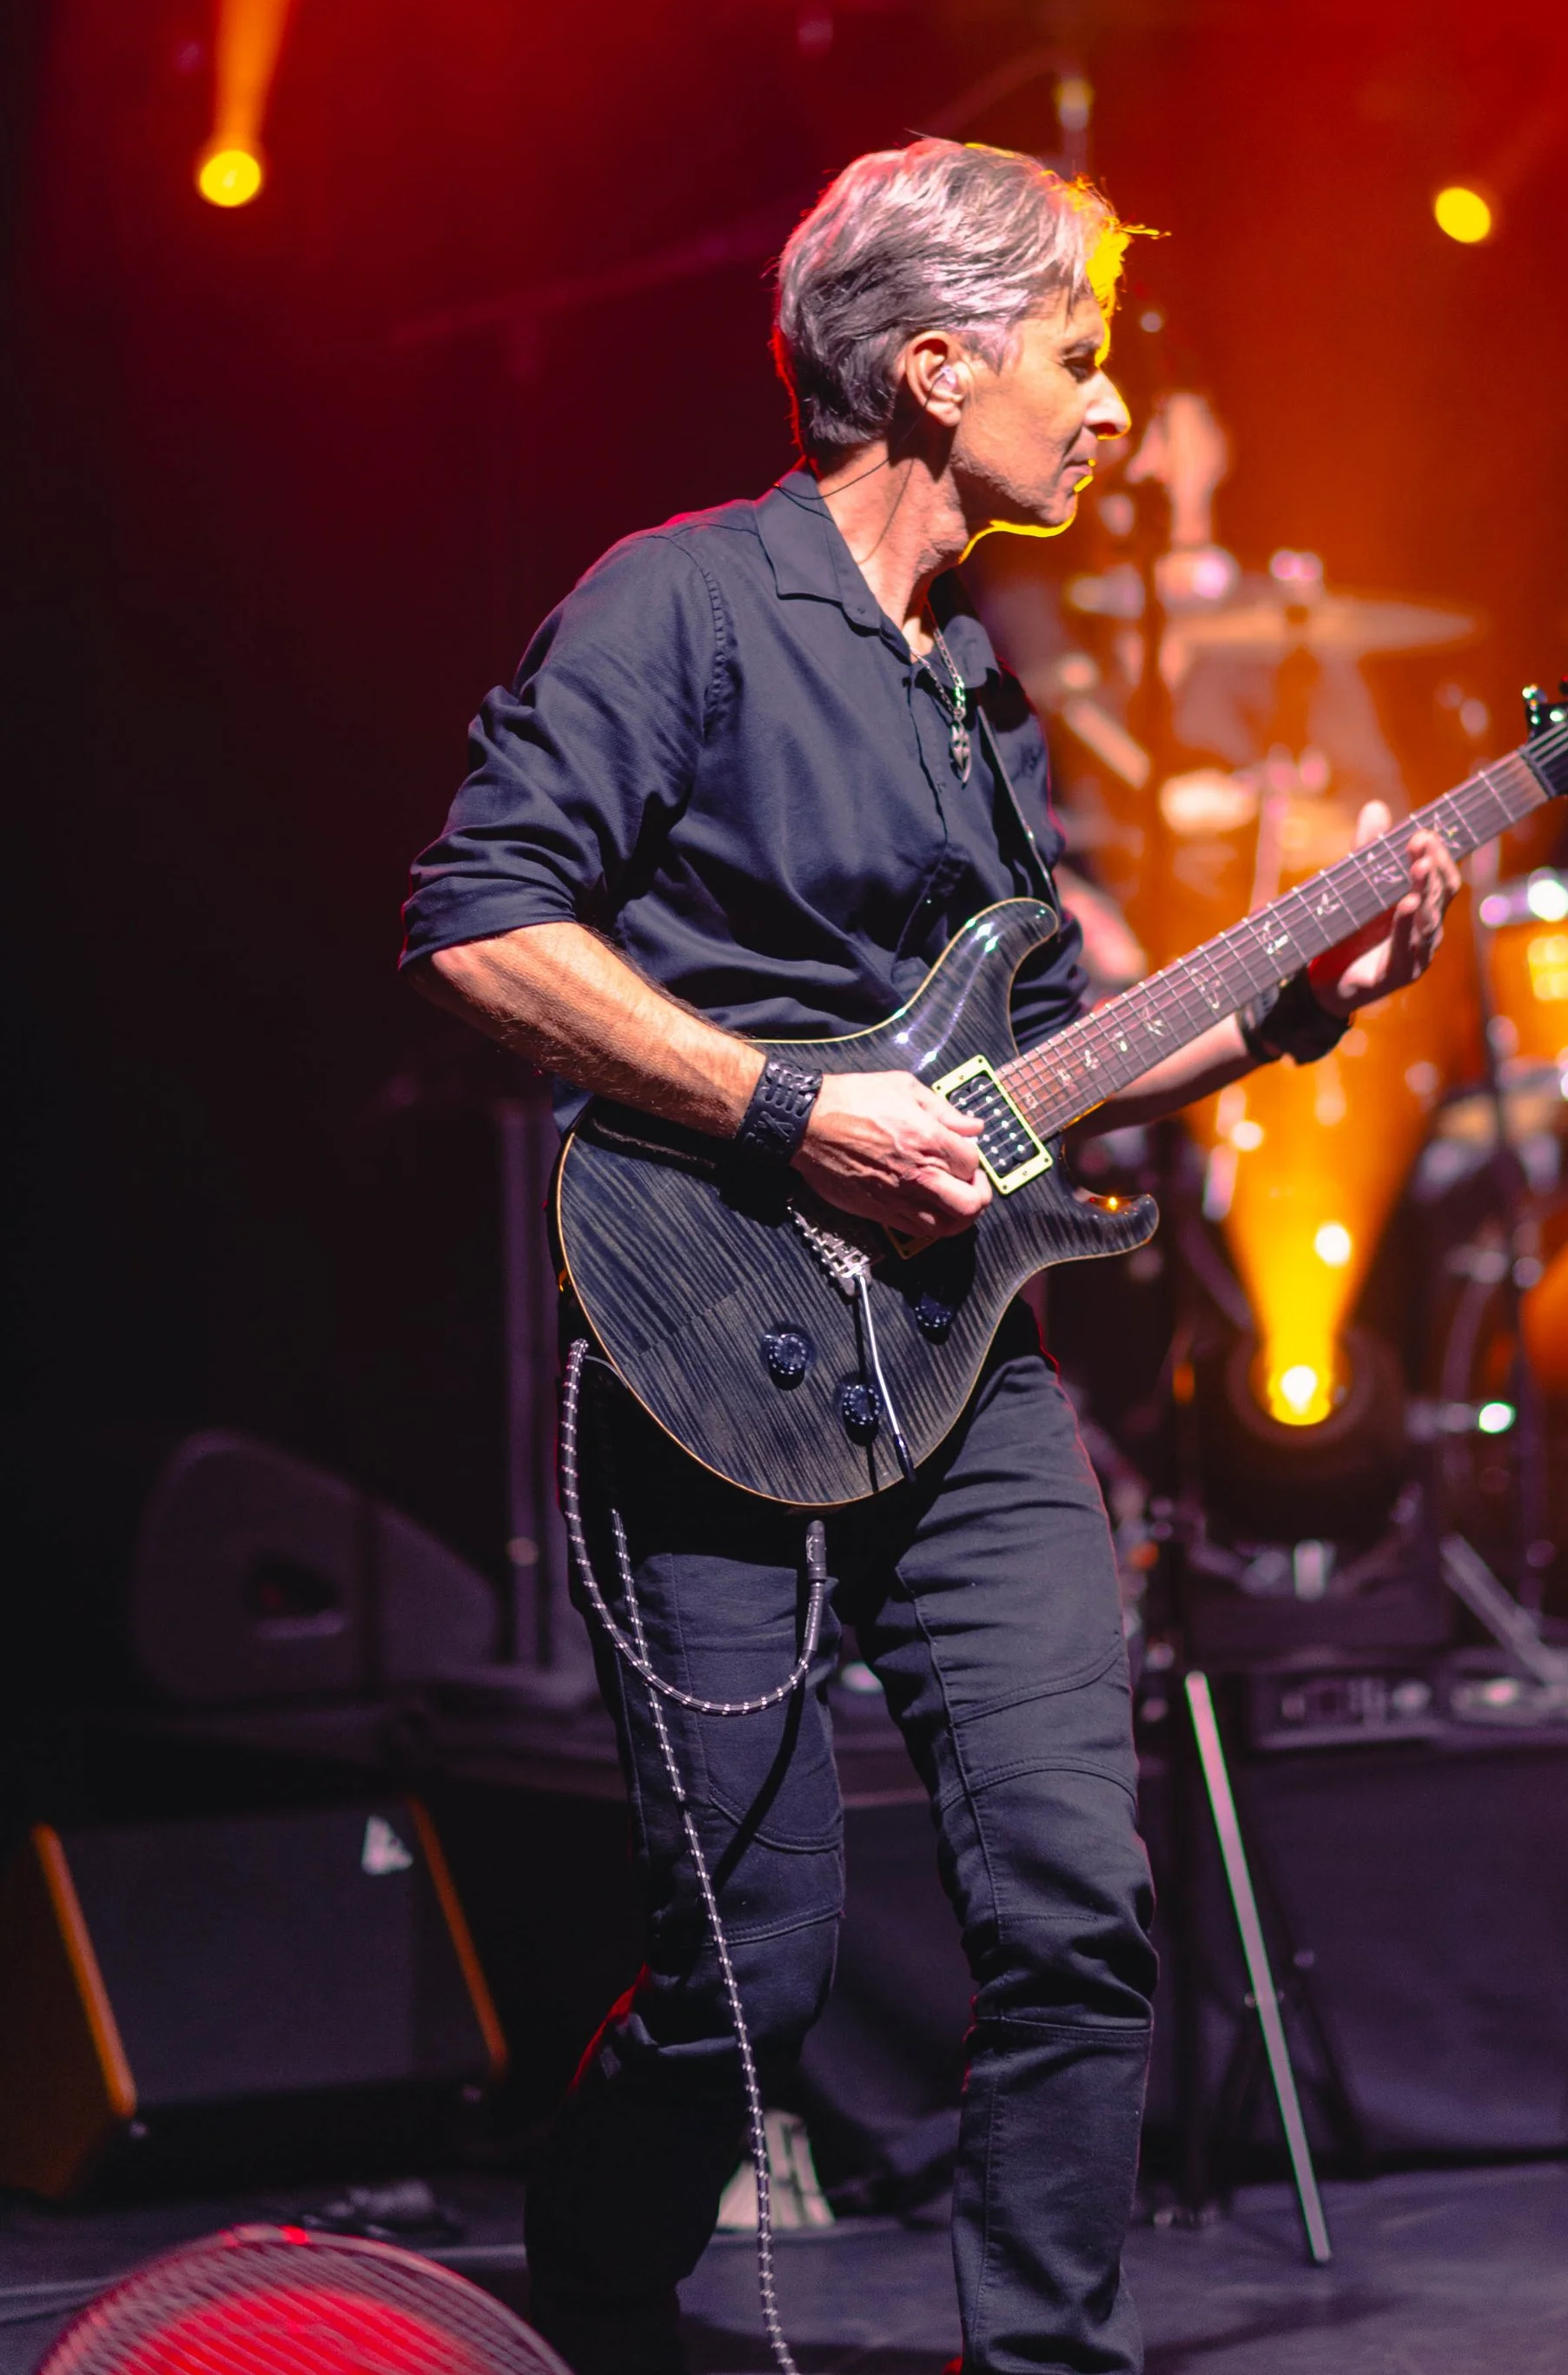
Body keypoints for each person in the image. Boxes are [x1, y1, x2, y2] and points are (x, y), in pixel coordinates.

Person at [400, 139, 1457, 2375]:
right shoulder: (676, 604)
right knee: (749, 1971)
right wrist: (787, 1106)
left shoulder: (971, 678)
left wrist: (1291, 1006)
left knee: (1078, 1911)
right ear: (930, 364)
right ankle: (588, 2299)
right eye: (1077, 356)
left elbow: (1038, 1068)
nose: (1108, 408)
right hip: (708, 1340)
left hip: (965, 1375)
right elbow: (479, 929)